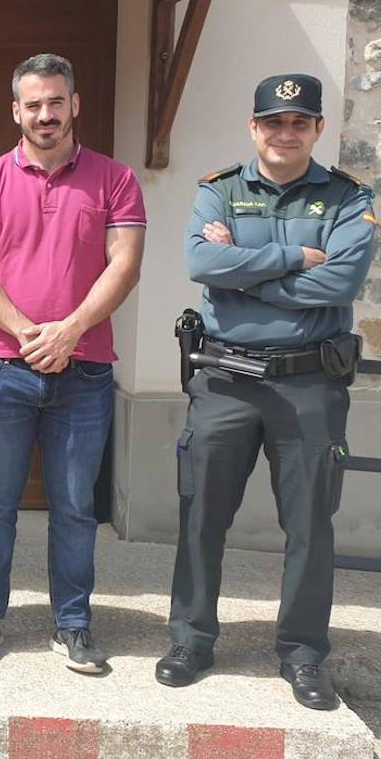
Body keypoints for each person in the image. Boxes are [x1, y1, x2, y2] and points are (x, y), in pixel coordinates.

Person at [156, 74, 376, 710]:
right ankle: (191, 639)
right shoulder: (219, 191)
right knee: (201, 516)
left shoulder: (346, 197)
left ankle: (304, 653)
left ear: (317, 130)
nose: (286, 133)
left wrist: (245, 276)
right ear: (254, 127)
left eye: (299, 123)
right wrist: (295, 257)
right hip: (224, 380)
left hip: (309, 384)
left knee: (310, 524)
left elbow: (339, 284)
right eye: (274, 122)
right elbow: (200, 265)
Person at [0, 53, 146, 673]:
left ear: (74, 104)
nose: (44, 115)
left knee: (75, 506)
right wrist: (28, 332)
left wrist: (71, 330)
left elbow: (125, 264)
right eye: (32, 104)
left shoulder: (115, 180)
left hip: (84, 368)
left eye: (55, 102)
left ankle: (74, 623)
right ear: (16, 111)